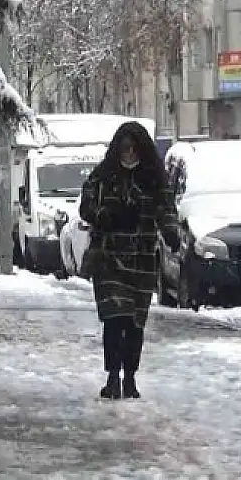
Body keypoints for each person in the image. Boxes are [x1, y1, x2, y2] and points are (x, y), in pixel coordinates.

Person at [78, 122, 180, 400]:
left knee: (135, 323)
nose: (129, 154)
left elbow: (166, 209)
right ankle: (112, 376)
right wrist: (105, 216)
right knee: (114, 319)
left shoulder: (154, 179)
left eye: (134, 148)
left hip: (142, 260)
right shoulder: (103, 176)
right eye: (124, 148)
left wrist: (171, 232)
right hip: (110, 257)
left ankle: (130, 377)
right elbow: (86, 206)